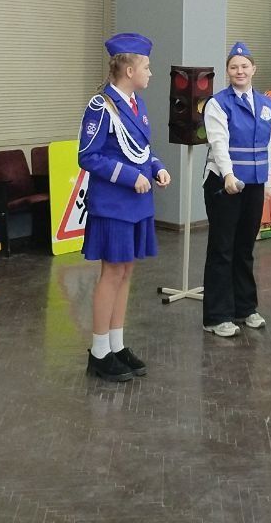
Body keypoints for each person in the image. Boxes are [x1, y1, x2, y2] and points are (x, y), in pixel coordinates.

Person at [78, 32, 170, 379]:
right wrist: (130, 177)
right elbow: (88, 156)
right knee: (112, 273)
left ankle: (116, 345)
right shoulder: (101, 106)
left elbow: (142, 148)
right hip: (114, 204)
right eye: (147, 67)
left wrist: (156, 167)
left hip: (137, 204)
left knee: (127, 271)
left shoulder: (137, 105)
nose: (151, 72)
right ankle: (99, 352)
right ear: (129, 70)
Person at [200, 41, 271, 338]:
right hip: (225, 184)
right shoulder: (218, 103)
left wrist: (268, 180)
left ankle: (245, 308)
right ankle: (216, 316)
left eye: (244, 66)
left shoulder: (267, 105)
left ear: (254, 69)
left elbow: (269, 145)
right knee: (222, 248)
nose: (239, 71)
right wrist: (229, 176)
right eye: (234, 67)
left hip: (254, 183)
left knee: (245, 247)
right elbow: (218, 143)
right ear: (227, 71)